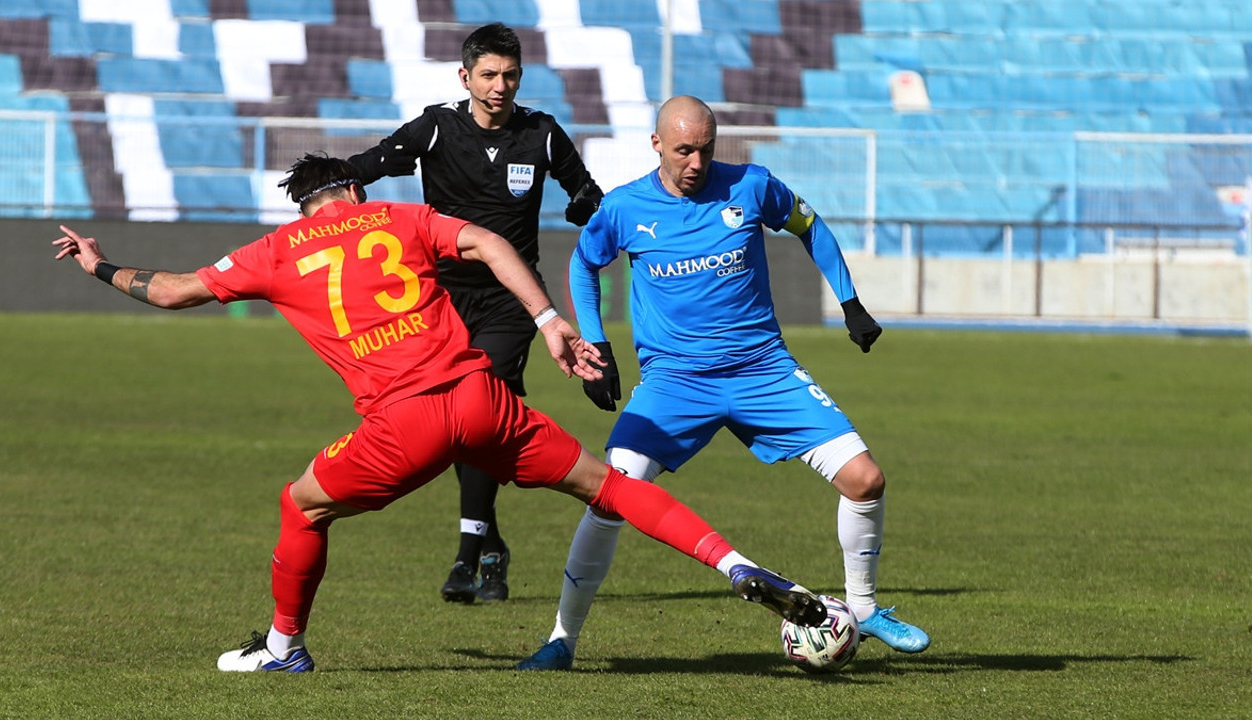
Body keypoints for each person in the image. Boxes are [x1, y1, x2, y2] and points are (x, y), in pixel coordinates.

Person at [52, 153, 829, 673]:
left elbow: (174, 291)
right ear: (354, 194)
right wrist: (549, 320)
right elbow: (488, 242)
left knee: (301, 506)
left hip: (403, 425)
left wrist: (99, 266)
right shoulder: (400, 217)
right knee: (609, 486)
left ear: (306, 205)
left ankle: (285, 648)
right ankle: (735, 564)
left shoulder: (279, 249)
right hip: (484, 401)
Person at [516, 96, 930, 672]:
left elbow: (810, 226)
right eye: (683, 150)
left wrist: (850, 302)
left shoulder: (752, 186)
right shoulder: (624, 207)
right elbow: (585, 265)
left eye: (706, 150)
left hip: (764, 371)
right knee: (610, 495)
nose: (696, 162)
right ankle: (562, 640)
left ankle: (862, 608)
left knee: (866, 479)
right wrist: (598, 344)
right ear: (657, 144)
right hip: (674, 382)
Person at [348, 22, 606, 604]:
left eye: (509, 75)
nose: (499, 86)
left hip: (512, 300)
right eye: (488, 75)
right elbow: (367, 165)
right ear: (465, 77)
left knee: (481, 404)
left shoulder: (540, 133)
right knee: (462, 425)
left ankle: (467, 555)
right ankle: (492, 547)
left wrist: (586, 205)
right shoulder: (437, 127)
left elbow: (585, 189)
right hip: (441, 301)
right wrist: (332, 191)